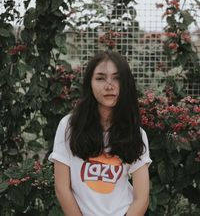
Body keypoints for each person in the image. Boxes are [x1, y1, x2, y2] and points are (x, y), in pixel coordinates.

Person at [49, 50, 152, 216]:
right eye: (100, 78)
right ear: (89, 83)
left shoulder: (136, 133)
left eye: (117, 78)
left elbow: (142, 198)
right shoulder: (69, 126)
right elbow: (62, 189)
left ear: (126, 84)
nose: (109, 85)